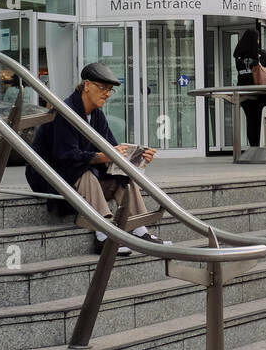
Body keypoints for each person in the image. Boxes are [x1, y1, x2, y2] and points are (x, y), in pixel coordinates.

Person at [25, 62, 163, 255]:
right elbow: (65, 156)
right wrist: (102, 156)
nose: (107, 93)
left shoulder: (96, 115)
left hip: (75, 177)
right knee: (85, 171)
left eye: (110, 90)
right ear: (87, 85)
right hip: (50, 178)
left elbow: (112, 150)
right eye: (103, 88)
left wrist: (138, 158)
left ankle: (138, 228)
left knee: (124, 175)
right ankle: (103, 233)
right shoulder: (65, 112)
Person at [233, 29, 266, 148]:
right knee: (259, 120)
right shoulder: (259, 55)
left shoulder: (238, 56)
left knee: (250, 120)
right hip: (258, 93)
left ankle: (253, 146)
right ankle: (259, 145)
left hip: (243, 93)